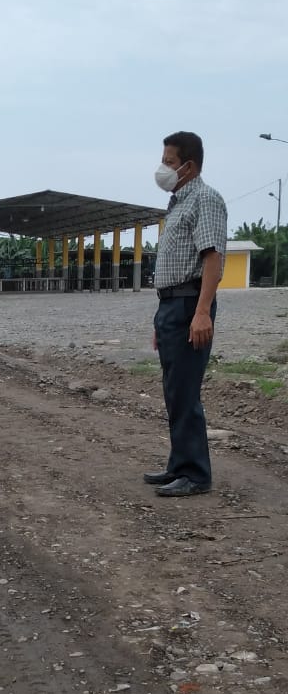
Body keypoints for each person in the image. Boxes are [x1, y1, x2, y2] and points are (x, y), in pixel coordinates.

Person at [145, 131, 227, 497]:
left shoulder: (205, 200)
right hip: (171, 305)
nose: (162, 169)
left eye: (169, 162)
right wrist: (160, 319)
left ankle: (195, 474)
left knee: (186, 391)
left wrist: (202, 312)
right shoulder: (178, 204)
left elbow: (212, 259)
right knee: (174, 391)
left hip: (189, 304)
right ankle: (179, 466)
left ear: (188, 166)